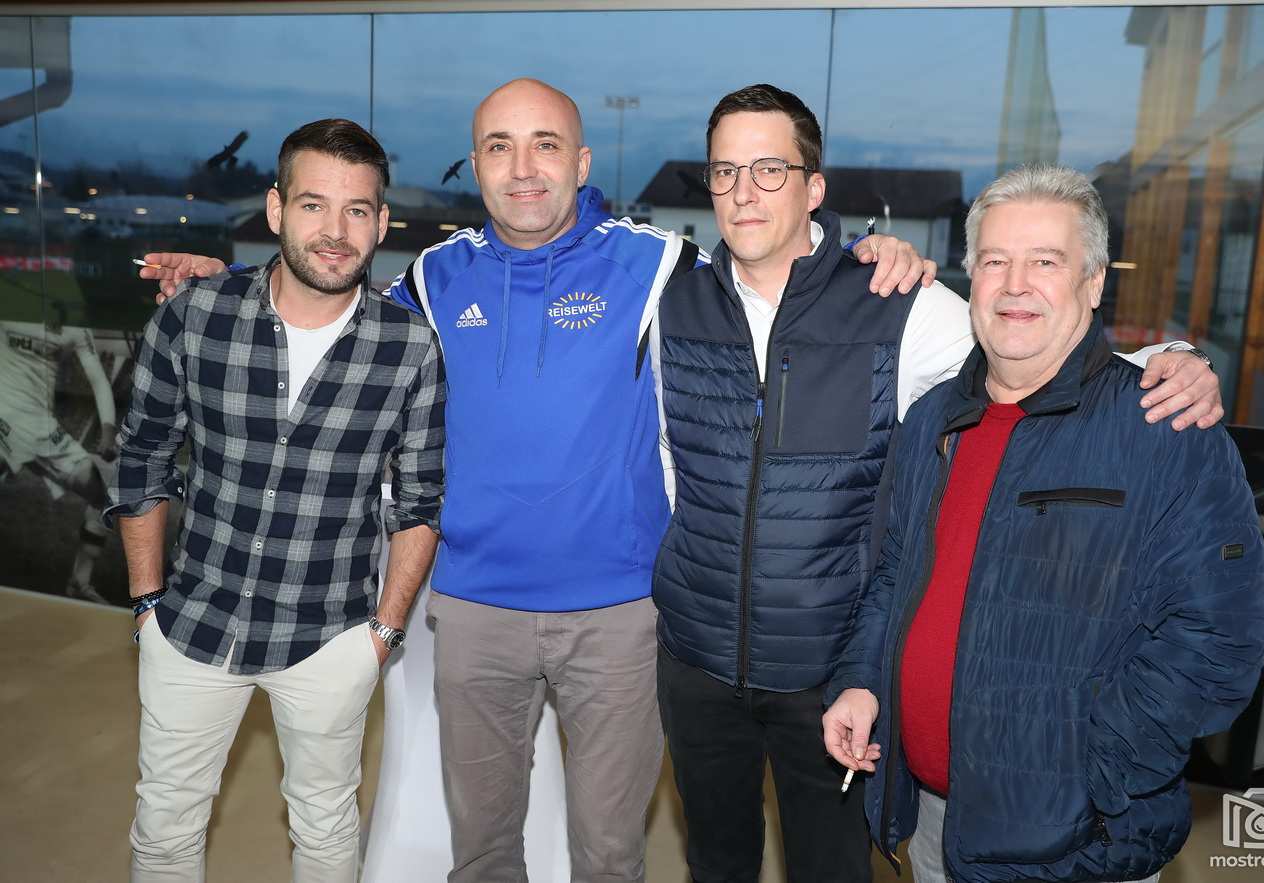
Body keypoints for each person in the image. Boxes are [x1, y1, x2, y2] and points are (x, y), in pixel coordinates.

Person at [137, 77, 938, 883]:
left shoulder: (656, 263)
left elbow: (773, 268)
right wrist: (226, 279)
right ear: (476, 164)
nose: (523, 169)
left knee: (608, 856)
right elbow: (329, 296)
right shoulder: (435, 277)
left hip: (620, 619)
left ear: (581, 163)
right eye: (500, 147)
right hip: (475, 615)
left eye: (545, 145)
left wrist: (864, 257)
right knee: (482, 854)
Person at [649, 86, 1224, 882]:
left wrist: (1171, 362)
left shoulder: (896, 302)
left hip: (829, 673)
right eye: (725, 171)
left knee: (830, 869)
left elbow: (1028, 348)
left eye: (769, 168)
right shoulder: (673, 303)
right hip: (697, 659)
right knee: (713, 860)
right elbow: (667, 459)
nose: (744, 191)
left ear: (814, 187)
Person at [822, 164, 1264, 883]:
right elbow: (897, 574)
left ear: (1092, 283)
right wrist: (862, 682)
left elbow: (1222, 633)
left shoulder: (1163, 425)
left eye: (1045, 262)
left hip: (1078, 836)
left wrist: (1097, 768)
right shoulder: (933, 420)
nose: (1015, 284)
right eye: (995, 260)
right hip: (935, 816)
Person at [105, 118, 444, 883]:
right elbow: (143, 459)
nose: (335, 231)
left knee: (325, 828)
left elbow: (420, 502)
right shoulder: (195, 315)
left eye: (357, 210)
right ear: (276, 208)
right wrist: (147, 603)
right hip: (191, 622)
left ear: (382, 223)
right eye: (314, 204)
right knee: (164, 828)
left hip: (330, 636)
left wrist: (383, 633)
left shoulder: (410, 348)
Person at [0, 306, 118, 602]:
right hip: (6, 415)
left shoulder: (75, 323)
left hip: (41, 429)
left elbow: (98, 380)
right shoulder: (10, 301)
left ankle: (79, 582)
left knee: (102, 497)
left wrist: (107, 431)